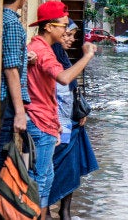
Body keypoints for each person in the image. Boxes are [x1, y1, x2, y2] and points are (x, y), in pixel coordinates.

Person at [25, 1, 97, 220]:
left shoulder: (39, 49)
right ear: (48, 27)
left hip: (47, 121)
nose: (66, 31)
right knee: (41, 177)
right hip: (40, 121)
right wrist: (87, 56)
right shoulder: (43, 51)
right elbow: (64, 78)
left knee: (45, 176)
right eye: (63, 26)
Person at [49, 19, 99, 220]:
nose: (71, 40)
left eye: (73, 36)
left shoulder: (61, 56)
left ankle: (64, 211)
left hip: (69, 122)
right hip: (57, 124)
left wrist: (80, 112)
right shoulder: (49, 56)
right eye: (67, 35)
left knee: (71, 168)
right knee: (57, 169)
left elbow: (70, 90)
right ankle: (53, 211)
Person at [0, 0, 37, 172]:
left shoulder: (0, 19)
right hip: (7, 103)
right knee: (2, 159)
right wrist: (20, 113)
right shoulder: (12, 23)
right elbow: (11, 70)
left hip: (4, 101)